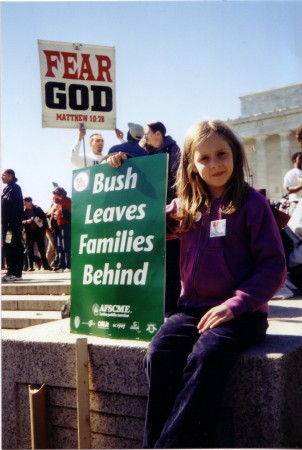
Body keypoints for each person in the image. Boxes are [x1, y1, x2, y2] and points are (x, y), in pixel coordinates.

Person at [143, 120, 286, 449]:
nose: (214, 164)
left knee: (207, 356)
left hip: (242, 314)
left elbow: (272, 265)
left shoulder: (252, 204)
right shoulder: (186, 207)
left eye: (221, 154)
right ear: (191, 164)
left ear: (235, 154)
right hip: (192, 311)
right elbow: (141, 220)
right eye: (204, 158)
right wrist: (118, 169)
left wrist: (234, 305)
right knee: (159, 353)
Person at [107, 121, 181, 316]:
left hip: (170, 220)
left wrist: (175, 205)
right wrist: (120, 158)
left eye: (148, 133)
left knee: (172, 265)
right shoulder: (153, 152)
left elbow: (179, 179)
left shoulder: (174, 152)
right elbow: (142, 168)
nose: (145, 137)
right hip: (153, 219)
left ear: (158, 134)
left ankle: (171, 309)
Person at [1, 169, 24, 282]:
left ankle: (16, 272)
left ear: (10, 176)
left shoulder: (15, 188)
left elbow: (16, 208)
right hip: (6, 226)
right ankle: (11, 271)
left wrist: (11, 225)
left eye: (4, 175)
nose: (2, 177)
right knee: (8, 248)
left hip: (12, 226)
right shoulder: (6, 189)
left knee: (14, 247)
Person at [22, 197, 53, 271]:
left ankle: (46, 265)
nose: (24, 204)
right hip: (29, 232)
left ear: (29, 202)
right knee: (29, 249)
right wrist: (26, 221)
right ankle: (31, 266)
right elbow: (21, 221)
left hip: (38, 231)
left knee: (42, 249)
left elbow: (44, 217)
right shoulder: (24, 211)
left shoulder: (37, 208)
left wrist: (41, 220)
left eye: (25, 202)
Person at [283, 126, 302, 215]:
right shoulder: (291, 173)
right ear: (294, 160)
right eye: (300, 158)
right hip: (296, 203)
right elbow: (288, 189)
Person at [52, 187, 71, 272]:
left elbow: (56, 200)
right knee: (60, 247)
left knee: (66, 246)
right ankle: (61, 266)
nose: (54, 196)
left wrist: (54, 196)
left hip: (66, 225)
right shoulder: (59, 203)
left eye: (56, 194)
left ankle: (68, 266)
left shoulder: (66, 200)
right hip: (59, 225)